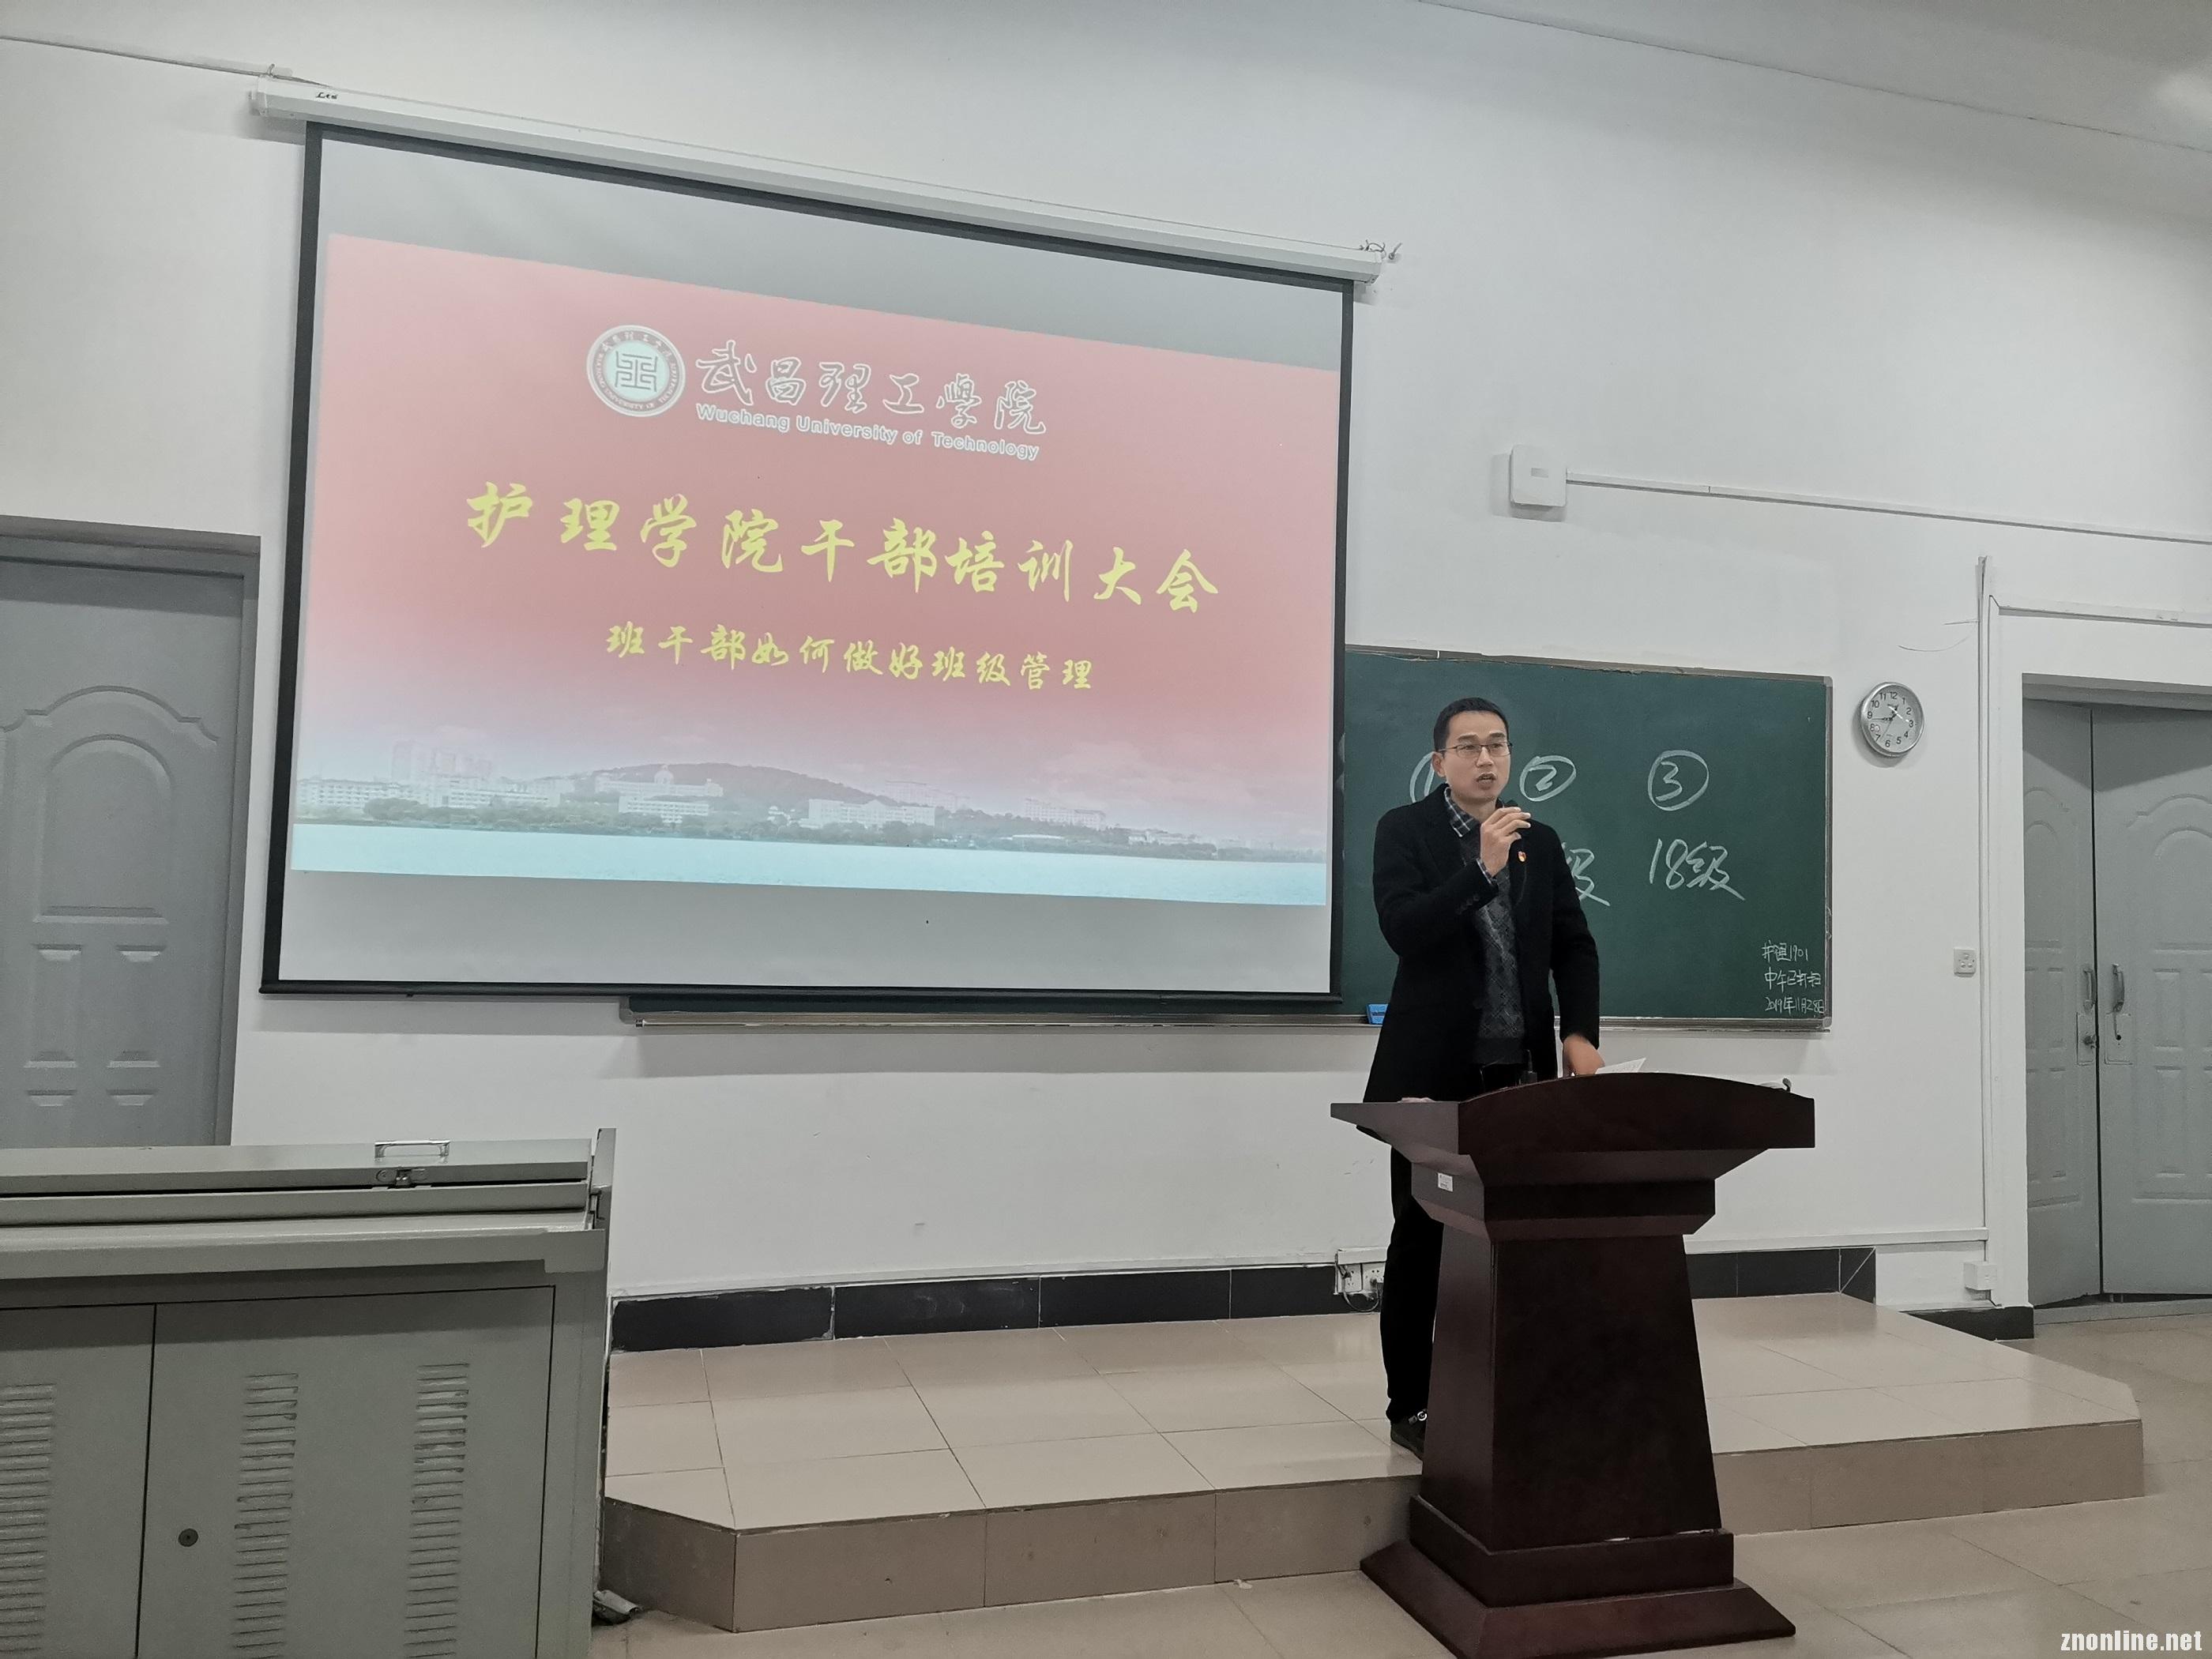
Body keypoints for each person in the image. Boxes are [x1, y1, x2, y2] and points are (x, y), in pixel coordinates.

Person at [1365, 695, 1602, 1456]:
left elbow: (1574, 944)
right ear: (1440, 762)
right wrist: (1479, 870)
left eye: (1497, 744)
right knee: (1423, 1237)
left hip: (1519, 1074)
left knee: (1519, 1236)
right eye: (1468, 746)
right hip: (1432, 1076)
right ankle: (1413, 1402)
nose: (1486, 759)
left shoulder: (1540, 841)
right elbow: (1405, 931)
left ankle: (1512, 1388)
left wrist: (1580, 1033)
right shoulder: (1404, 831)